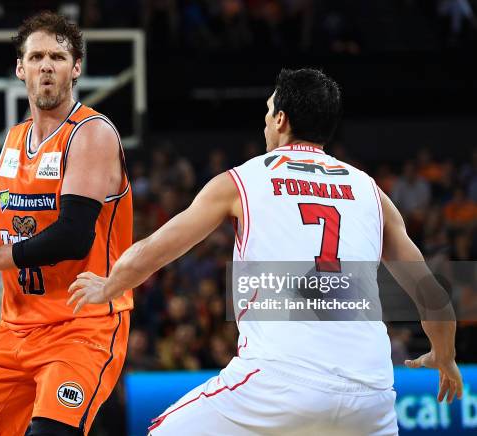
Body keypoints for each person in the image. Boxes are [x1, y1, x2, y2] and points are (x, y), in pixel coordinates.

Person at [69, 68, 463, 435]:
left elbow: (156, 249)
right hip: (371, 397)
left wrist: (108, 285)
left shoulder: (244, 179)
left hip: (278, 383)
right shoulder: (371, 191)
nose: (264, 121)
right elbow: (432, 296)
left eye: (268, 111)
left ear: (281, 120)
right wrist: (444, 357)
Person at [0, 11, 133, 436]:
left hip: (81, 327)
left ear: (76, 68)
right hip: (14, 329)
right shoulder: (14, 139)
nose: (46, 65)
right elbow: (19, 228)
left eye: (57, 56)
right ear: (20, 68)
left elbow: (72, 236)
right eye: (36, 57)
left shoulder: (92, 133)